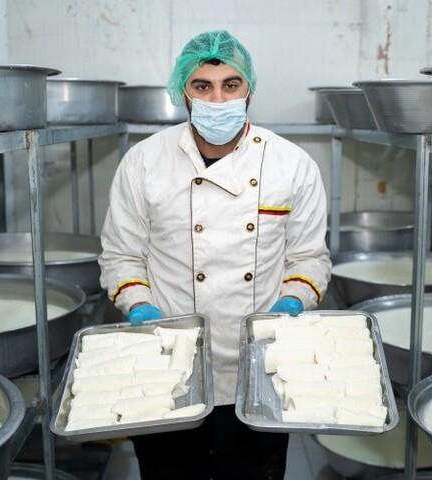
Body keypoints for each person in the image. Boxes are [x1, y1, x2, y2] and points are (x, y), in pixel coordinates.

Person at [99, 29, 331, 479]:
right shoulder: (145, 162)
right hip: (169, 362)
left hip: (257, 368)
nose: (218, 99)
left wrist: (292, 301)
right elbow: (121, 255)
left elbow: (309, 259)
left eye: (231, 85)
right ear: (183, 91)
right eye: (202, 86)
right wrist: (140, 305)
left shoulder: (291, 164)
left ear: (249, 90)